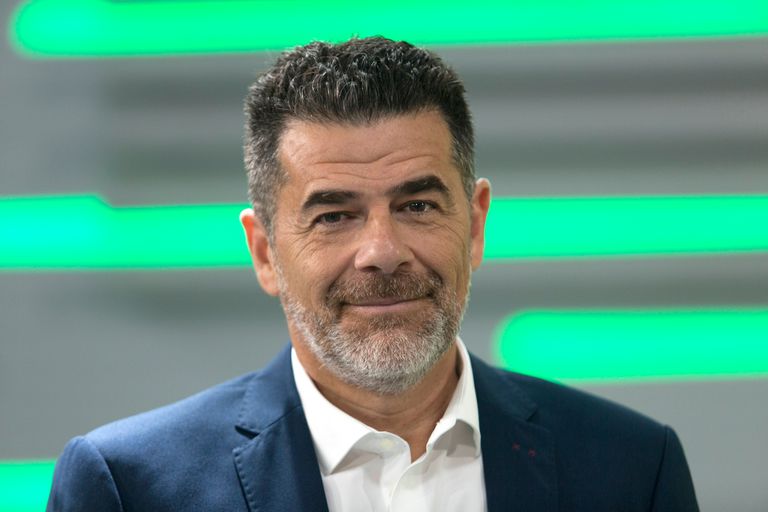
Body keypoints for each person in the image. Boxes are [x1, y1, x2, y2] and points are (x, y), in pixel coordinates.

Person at [47, 36, 699, 511]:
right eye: (334, 215)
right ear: (265, 252)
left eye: (417, 206)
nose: (382, 251)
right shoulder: (129, 487)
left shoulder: (632, 469)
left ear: (475, 225)